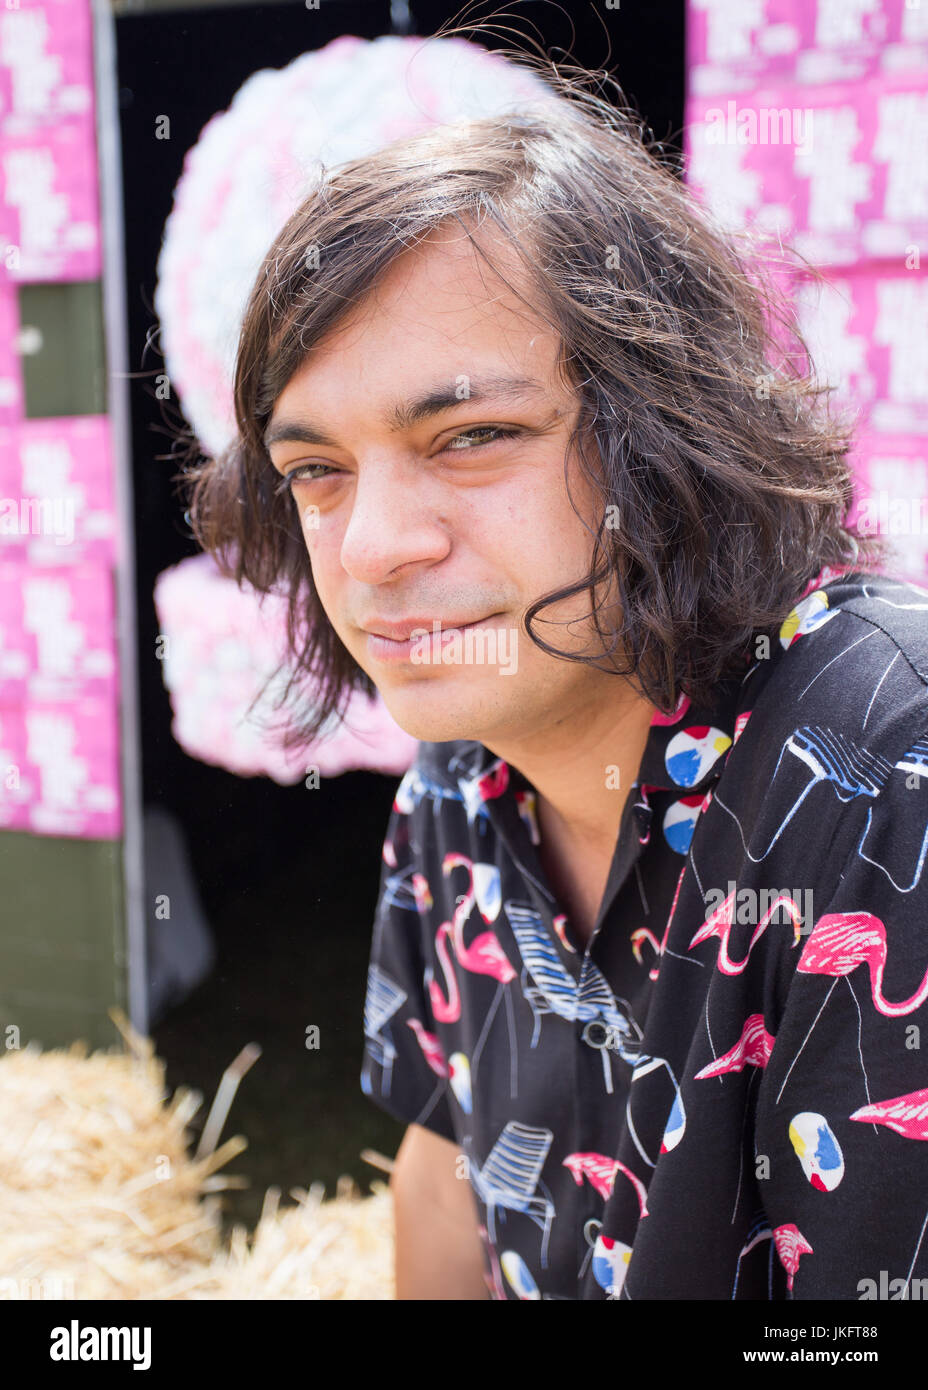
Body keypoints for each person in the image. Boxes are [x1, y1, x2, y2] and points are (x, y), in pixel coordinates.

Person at [185, 54, 928, 1301]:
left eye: (471, 438)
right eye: (318, 470)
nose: (371, 546)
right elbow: (442, 1165)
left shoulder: (885, 780)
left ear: (667, 429)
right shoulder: (460, 774)